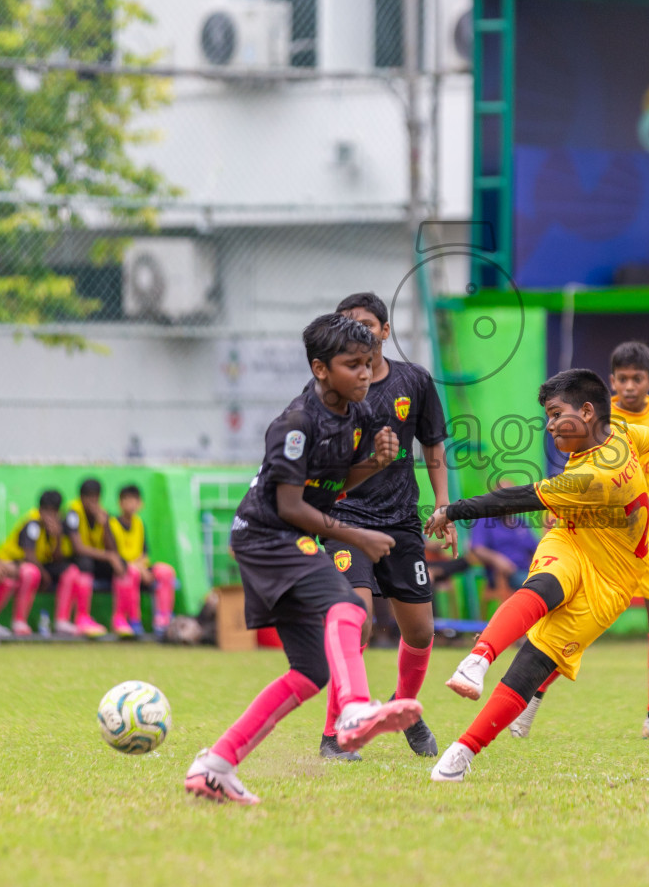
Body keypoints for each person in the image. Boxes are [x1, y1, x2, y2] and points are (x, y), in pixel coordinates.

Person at [421, 368, 649, 782]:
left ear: (588, 411)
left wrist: (451, 509)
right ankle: (478, 659)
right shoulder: (623, 433)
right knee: (546, 583)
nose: (549, 424)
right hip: (572, 541)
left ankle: (461, 752)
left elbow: (516, 498)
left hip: (613, 581)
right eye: (546, 414)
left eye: (556, 413)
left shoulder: (592, 477)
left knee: (533, 666)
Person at [183, 313, 422, 805]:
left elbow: (332, 488)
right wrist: (360, 535)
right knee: (350, 609)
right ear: (319, 369)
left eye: (368, 363)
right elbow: (292, 506)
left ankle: (216, 766)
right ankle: (354, 708)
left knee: (309, 673)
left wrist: (374, 463)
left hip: (287, 537)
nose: (364, 374)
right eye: (351, 365)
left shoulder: (355, 416)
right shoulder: (295, 424)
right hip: (268, 537)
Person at [509, 341, 649, 742]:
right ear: (611, 383)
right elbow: (573, 466)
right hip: (600, 531)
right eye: (621, 379)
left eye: (636, 378)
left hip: (648, 531)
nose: (628, 386)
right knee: (580, 623)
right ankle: (530, 700)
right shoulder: (596, 412)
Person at [316, 291, 450, 761]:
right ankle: (337, 730)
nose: (357, 329)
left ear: (385, 331)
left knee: (419, 631)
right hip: (345, 520)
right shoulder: (334, 386)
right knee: (356, 622)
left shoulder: (415, 380)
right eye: (346, 322)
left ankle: (403, 708)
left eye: (366, 323)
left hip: (401, 523)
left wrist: (444, 506)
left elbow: (433, 446)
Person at [0, 490, 74, 637]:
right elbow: (29, 556)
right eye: (46, 511)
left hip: (39, 564)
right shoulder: (33, 524)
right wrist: (45, 575)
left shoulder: (58, 527)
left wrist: (57, 538)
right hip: (11, 562)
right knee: (31, 572)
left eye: (54, 512)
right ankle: (19, 621)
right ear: (40, 510)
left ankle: (62, 621)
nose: (49, 516)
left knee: (71, 571)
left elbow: (58, 559)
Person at [105, 484, 176, 638]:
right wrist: (139, 569)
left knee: (166, 571)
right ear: (120, 503)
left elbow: (144, 554)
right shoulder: (112, 524)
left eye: (134, 501)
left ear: (140, 504)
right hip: (123, 569)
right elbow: (114, 555)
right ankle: (132, 620)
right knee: (131, 573)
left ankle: (163, 620)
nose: (130, 504)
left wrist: (143, 568)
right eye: (126, 500)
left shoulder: (139, 523)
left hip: (140, 567)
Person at [466, 478, 539, 599]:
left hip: (528, 571)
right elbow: (478, 548)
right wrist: (497, 559)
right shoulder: (484, 520)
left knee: (551, 582)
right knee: (537, 588)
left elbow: (535, 548)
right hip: (503, 574)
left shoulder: (520, 522)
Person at [64, 478, 112, 637]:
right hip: (70, 559)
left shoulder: (103, 515)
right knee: (85, 563)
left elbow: (111, 548)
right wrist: (107, 556)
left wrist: (105, 525)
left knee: (120, 566)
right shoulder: (72, 514)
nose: (92, 502)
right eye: (88, 497)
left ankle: (122, 619)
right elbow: (78, 548)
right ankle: (81, 617)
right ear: (81, 498)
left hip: (93, 558)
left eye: (96, 497)